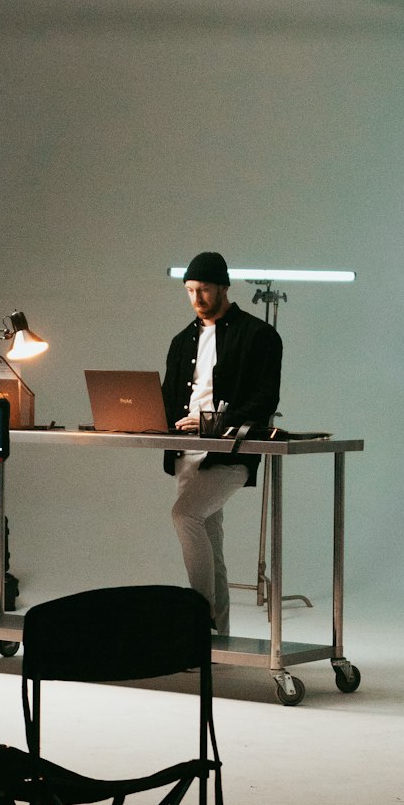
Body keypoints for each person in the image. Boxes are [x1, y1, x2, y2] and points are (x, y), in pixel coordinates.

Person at [162, 251, 282, 636]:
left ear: (224, 287)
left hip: (231, 452)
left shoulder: (260, 335)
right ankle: (218, 640)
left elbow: (264, 400)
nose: (197, 298)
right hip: (186, 453)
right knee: (210, 546)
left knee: (186, 516)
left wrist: (214, 421)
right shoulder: (181, 341)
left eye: (205, 289)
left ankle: (199, 623)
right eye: (191, 290)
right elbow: (167, 397)